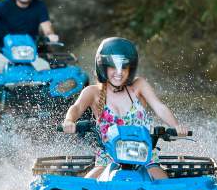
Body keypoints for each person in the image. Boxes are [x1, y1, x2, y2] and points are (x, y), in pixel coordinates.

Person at [62, 37, 188, 180]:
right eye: (113, 67)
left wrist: (176, 126)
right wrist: (69, 121)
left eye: (124, 67)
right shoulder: (93, 92)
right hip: (108, 156)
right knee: (87, 185)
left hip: (143, 155)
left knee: (163, 183)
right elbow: (77, 108)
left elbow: (159, 107)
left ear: (131, 69)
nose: (119, 72)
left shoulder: (138, 86)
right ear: (102, 66)